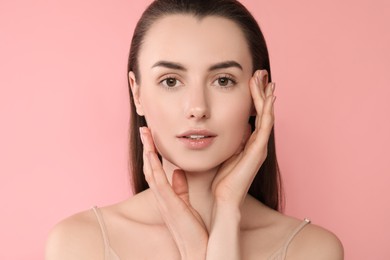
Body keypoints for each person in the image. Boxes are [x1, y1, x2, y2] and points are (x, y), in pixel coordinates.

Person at [45, 0, 344, 259]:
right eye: (171, 81)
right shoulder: (81, 243)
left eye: (223, 80)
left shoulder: (311, 250)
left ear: (258, 95)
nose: (197, 107)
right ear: (137, 93)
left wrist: (226, 216)